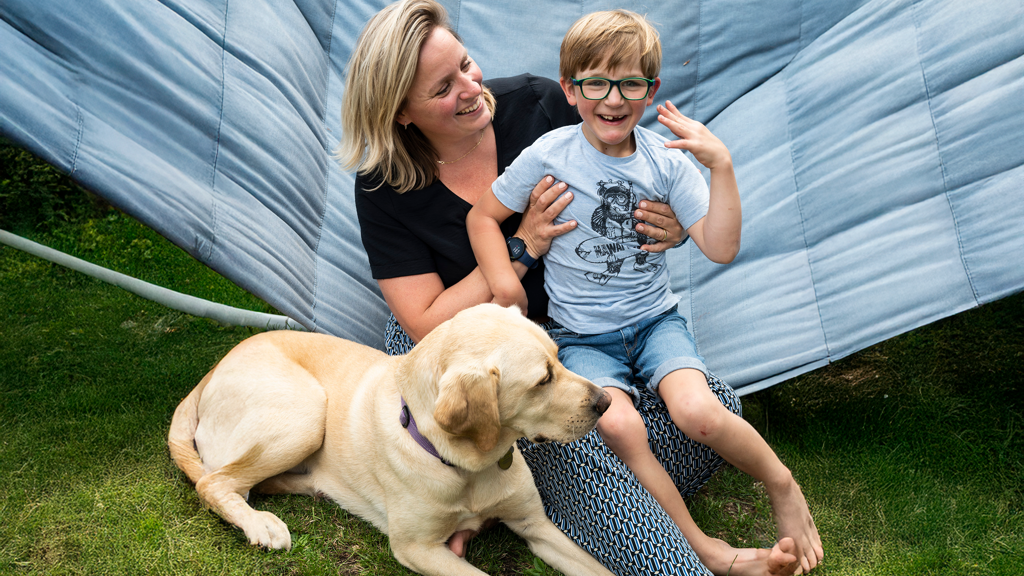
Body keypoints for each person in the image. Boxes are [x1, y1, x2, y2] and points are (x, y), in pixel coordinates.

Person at [340, 2, 807, 574]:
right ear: (402, 113)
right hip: (473, 354)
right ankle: (687, 555)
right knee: (589, 451)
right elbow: (422, 321)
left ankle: (484, 499)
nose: (470, 88)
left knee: (707, 411)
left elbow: (634, 181)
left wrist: (676, 227)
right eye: (444, 87)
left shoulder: (537, 107)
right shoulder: (384, 186)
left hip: (585, 330)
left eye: (466, 64)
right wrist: (524, 247)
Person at [466, 9, 823, 575]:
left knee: (699, 414)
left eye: (631, 82)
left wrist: (721, 166)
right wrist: (507, 282)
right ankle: (702, 547)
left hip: (655, 324)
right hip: (581, 337)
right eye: (596, 83)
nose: (614, 98)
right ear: (570, 88)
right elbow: (484, 217)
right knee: (620, 426)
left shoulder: (665, 163)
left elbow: (721, 246)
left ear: (652, 90)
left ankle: (782, 483)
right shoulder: (549, 154)